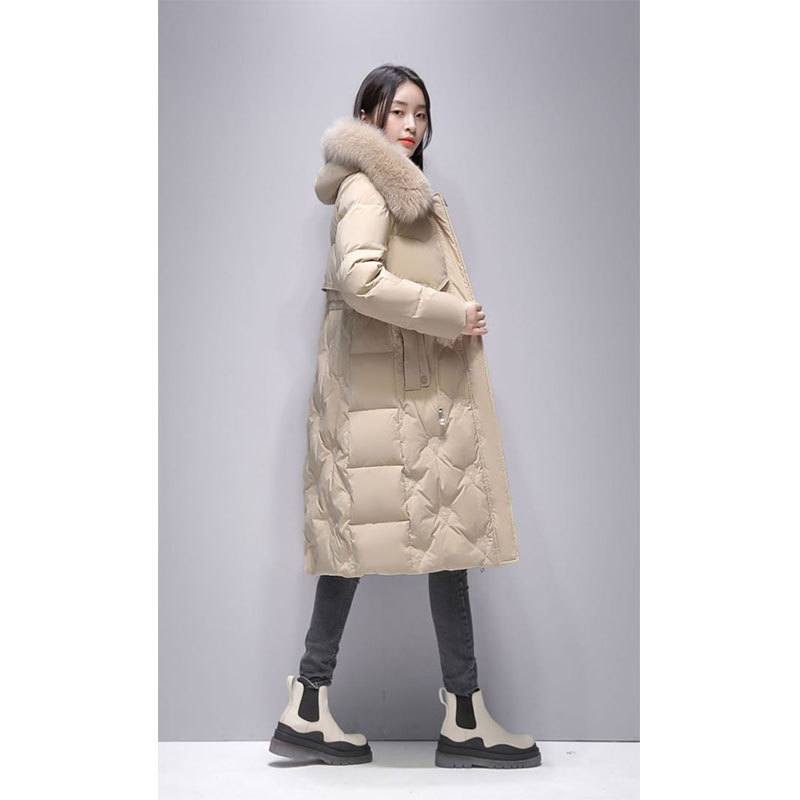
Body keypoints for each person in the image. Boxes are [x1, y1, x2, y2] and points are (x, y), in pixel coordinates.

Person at [269, 64, 540, 769]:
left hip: (396, 399)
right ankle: (449, 714)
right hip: (384, 402)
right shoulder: (370, 185)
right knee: (400, 544)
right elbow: (359, 278)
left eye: (421, 112)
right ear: (369, 117)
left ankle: (324, 704)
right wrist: (452, 315)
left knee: (420, 544)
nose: (412, 125)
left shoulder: (394, 188)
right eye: (398, 111)